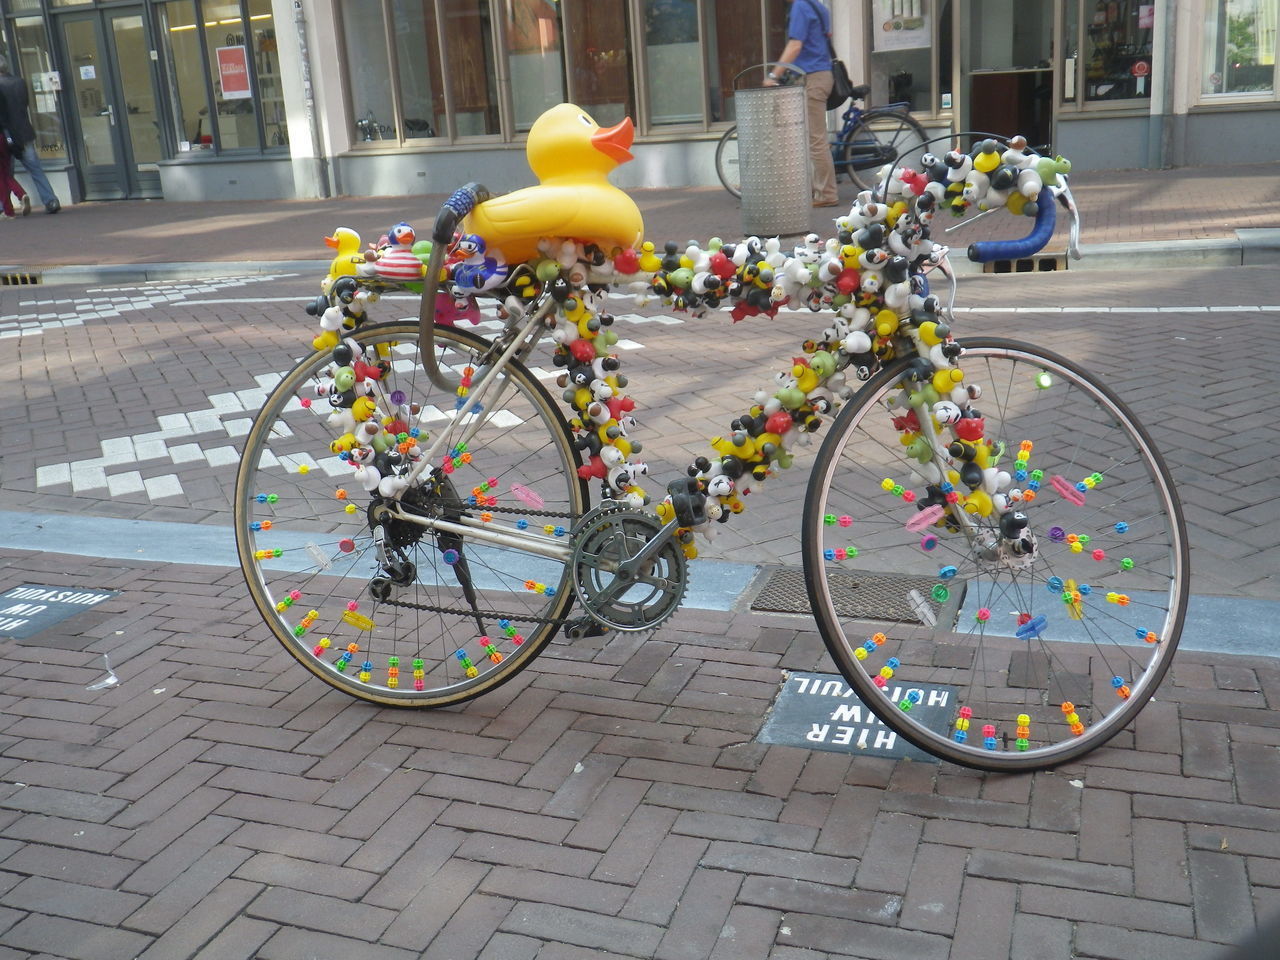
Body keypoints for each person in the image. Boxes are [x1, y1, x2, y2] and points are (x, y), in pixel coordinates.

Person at [763, 0, 839, 208]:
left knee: (815, 139)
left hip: (812, 77)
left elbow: (795, 45)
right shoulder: (819, 6)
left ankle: (826, 193)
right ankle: (817, 188)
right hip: (822, 74)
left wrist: (773, 74)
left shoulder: (800, 6)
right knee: (812, 138)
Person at [0, 54, 60, 214]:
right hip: (24, 132)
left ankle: (4, 206)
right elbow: (24, 105)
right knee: (35, 169)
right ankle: (50, 200)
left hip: (6, 135)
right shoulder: (20, 82)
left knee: (5, 173)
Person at [0, 122, 31, 219]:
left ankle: (8, 211)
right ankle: (21, 194)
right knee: (6, 175)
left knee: (1, 180)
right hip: (3, 137)